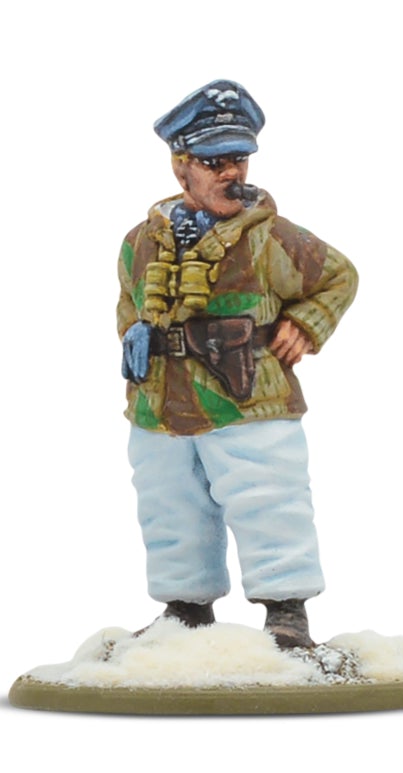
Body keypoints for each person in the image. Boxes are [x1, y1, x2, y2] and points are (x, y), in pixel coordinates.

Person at [115, 80, 358, 651]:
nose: (231, 173)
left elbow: (339, 276)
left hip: (248, 397)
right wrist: (133, 334)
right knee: (168, 504)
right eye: (213, 162)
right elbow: (129, 298)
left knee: (267, 499)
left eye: (238, 160)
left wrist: (308, 323)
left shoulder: (272, 239)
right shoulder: (140, 241)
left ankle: (286, 612)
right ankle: (184, 609)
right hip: (160, 401)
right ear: (182, 168)